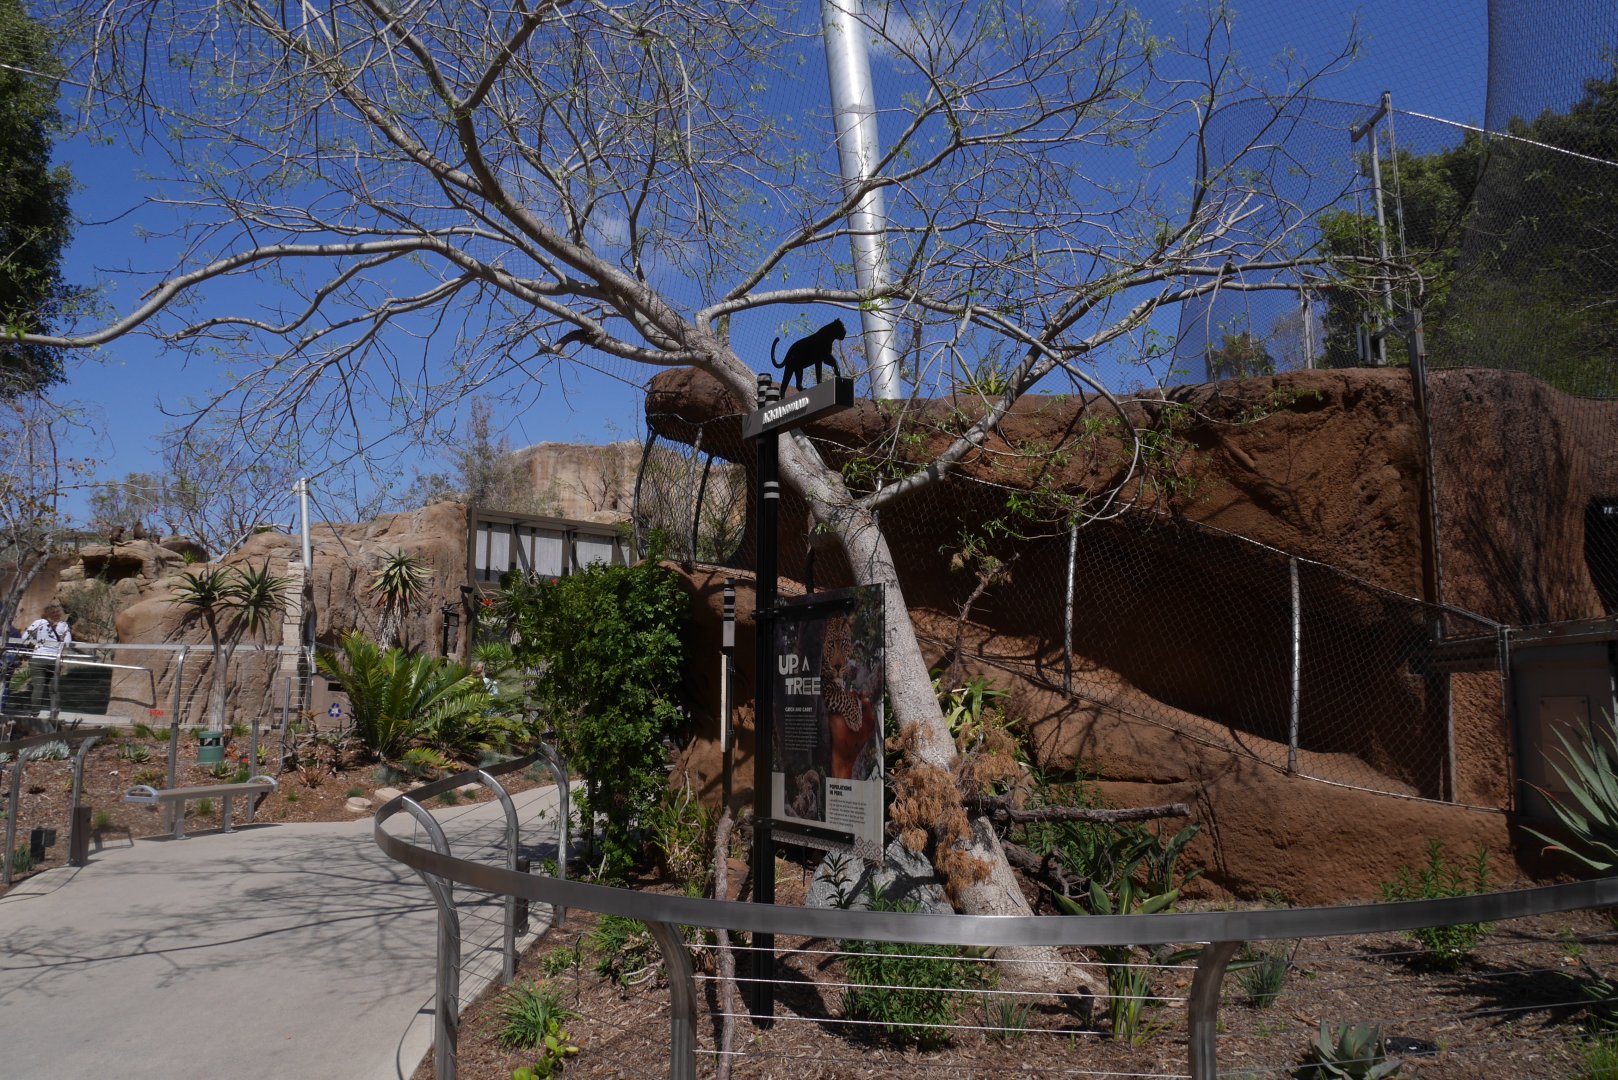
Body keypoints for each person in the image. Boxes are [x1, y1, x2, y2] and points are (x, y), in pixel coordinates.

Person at [23, 602, 72, 717]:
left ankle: (34, 714)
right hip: (54, 659)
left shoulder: (38, 623)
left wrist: (35, 642)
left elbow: (24, 637)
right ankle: (54, 713)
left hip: (38, 658)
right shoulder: (64, 625)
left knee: (38, 687)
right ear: (58, 614)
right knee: (53, 688)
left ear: (45, 613)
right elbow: (67, 643)